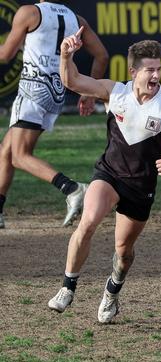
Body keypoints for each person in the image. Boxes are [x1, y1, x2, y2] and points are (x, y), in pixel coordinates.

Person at [47, 33, 161, 323]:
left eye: (159, 69)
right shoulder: (114, 91)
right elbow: (73, 81)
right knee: (89, 221)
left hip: (141, 186)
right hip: (108, 174)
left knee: (123, 251)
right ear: (134, 71)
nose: (156, 75)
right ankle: (67, 287)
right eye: (150, 69)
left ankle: (112, 292)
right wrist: (66, 55)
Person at [0, 0, 109, 229]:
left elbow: (5, 55)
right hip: (56, 92)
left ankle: (71, 188)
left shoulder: (29, 12)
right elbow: (102, 56)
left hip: (32, 91)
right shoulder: (76, 19)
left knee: (19, 156)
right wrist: (89, 94)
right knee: (6, 150)